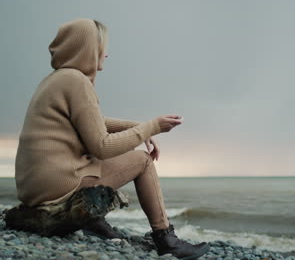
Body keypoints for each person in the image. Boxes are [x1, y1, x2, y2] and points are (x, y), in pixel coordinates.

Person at [14, 18, 210, 260]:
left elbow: (94, 121)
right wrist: (153, 127)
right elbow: (103, 146)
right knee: (142, 161)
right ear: (87, 49)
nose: (106, 54)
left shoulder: (56, 79)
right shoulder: (76, 82)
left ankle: (93, 221)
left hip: (35, 187)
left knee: (91, 156)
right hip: (58, 186)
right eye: (102, 47)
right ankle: (166, 239)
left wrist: (140, 127)